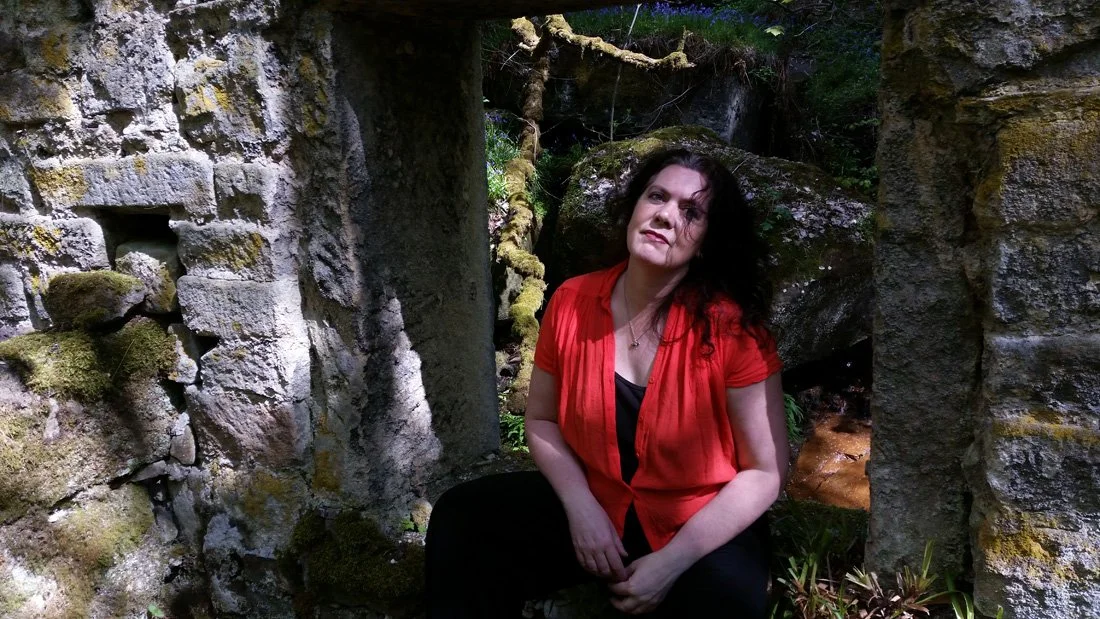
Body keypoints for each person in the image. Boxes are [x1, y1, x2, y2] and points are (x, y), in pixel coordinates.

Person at [426, 148, 788, 618]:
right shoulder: (572, 300)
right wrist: (580, 507)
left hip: (696, 524)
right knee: (464, 517)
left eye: (690, 211)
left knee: (727, 601)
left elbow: (764, 473)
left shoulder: (735, 332)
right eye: (656, 196)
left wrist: (669, 564)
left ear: (705, 242)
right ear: (633, 207)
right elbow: (540, 419)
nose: (664, 215)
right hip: (597, 502)